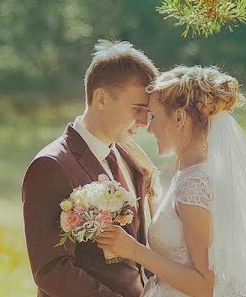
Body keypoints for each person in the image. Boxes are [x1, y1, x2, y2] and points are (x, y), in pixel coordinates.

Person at [96, 66, 246, 297]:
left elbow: (208, 287)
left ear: (178, 117)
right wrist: (149, 178)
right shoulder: (199, 174)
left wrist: (134, 251)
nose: (149, 128)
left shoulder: (194, 184)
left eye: (153, 116)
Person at [22, 40, 162, 297]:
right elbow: (51, 270)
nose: (144, 121)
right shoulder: (51, 166)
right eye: (137, 109)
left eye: (148, 112)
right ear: (101, 99)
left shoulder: (131, 158)